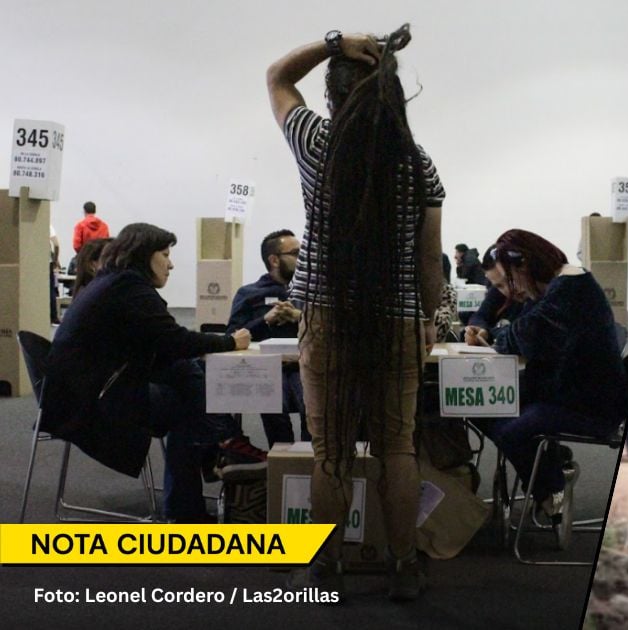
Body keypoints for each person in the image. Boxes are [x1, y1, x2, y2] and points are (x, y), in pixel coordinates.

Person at [269, 25, 445, 600]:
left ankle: (323, 565)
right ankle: (405, 566)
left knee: (331, 451)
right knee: (399, 448)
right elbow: (428, 262)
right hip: (397, 323)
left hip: (326, 317)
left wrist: (333, 41)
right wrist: (425, 320)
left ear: (333, 97)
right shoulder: (419, 167)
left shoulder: (316, 144)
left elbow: (276, 76)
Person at [42, 223, 252, 522]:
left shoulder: (115, 282)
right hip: (90, 401)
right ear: (143, 255)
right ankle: (209, 467)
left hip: (82, 390)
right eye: (165, 254)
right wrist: (230, 341)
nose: (171, 263)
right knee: (186, 405)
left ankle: (220, 444)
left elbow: (165, 344)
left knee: (185, 372)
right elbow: (174, 339)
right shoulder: (128, 287)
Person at [482, 229, 627, 520]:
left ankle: (551, 488)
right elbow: (525, 330)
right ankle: (552, 471)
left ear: (524, 266)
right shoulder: (563, 285)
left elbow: (526, 334)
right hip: (575, 393)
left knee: (507, 427)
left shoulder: (569, 290)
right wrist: (505, 333)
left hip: (591, 405)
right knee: (487, 408)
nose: (514, 291)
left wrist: (501, 333)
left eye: (510, 281)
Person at [224, 229, 309, 446]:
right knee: (272, 401)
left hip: (305, 366)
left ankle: (309, 462)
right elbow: (232, 336)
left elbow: (328, 329)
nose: (303, 259)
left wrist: (299, 317)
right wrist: (266, 320)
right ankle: (282, 462)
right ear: (274, 260)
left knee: (312, 407)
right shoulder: (250, 294)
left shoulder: (309, 293)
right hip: (267, 368)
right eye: (296, 253)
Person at [465, 245, 526, 345]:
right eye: (499, 285)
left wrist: (489, 333)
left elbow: (522, 334)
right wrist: (478, 328)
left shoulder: (540, 298)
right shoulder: (498, 291)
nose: (508, 290)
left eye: (511, 280)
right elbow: (480, 315)